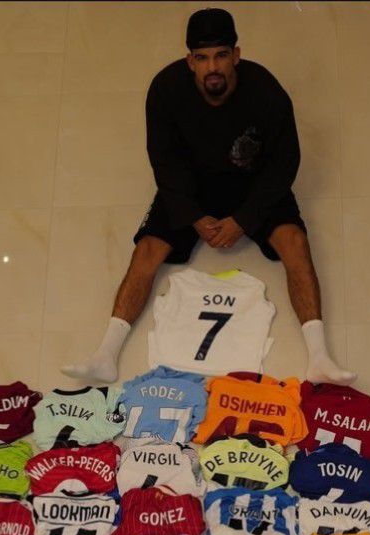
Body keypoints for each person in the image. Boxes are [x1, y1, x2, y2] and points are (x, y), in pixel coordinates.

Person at [62, 7, 355, 385]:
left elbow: (285, 164)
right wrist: (191, 214)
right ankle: (105, 354)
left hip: (253, 182)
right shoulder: (165, 90)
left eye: (221, 55)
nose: (212, 67)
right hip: (191, 185)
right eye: (202, 58)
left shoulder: (267, 92)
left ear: (236, 56)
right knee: (148, 249)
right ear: (190, 61)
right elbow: (163, 160)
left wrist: (244, 219)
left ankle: (320, 358)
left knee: (295, 242)